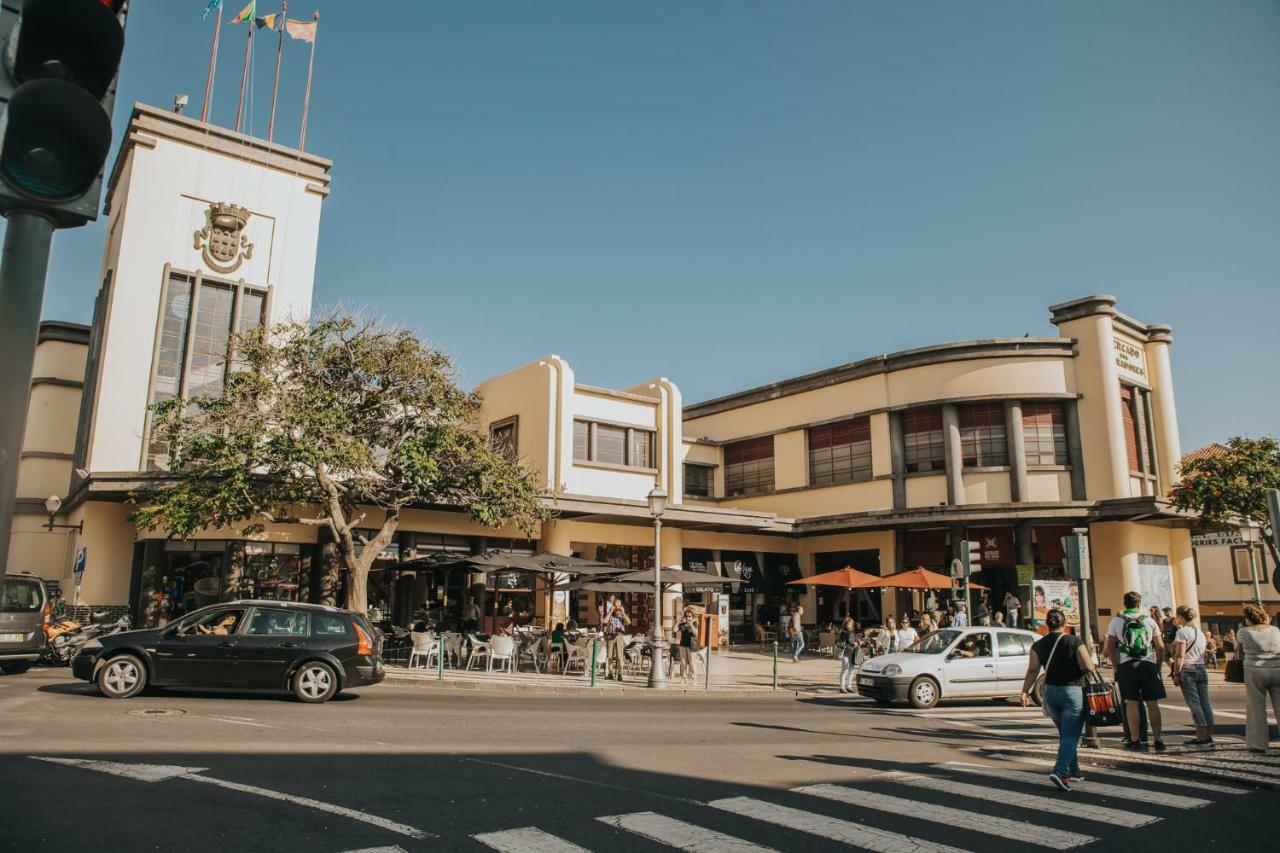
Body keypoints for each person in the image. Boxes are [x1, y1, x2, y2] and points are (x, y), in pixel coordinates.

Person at [1021, 607, 1097, 791]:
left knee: (1066, 733)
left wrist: (1025, 691)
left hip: (1050, 692)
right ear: (1065, 624)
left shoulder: (1038, 645)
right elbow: (1088, 666)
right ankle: (1061, 771)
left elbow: (1033, 670)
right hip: (1072, 691)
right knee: (1071, 735)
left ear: (1047, 624)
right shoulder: (1074, 641)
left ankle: (1075, 770)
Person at [1104, 591, 1167, 752]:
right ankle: (1158, 739)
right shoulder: (1150, 621)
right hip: (1147, 664)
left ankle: (1134, 738)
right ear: (1139, 604)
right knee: (1153, 703)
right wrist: (1158, 666)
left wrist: (1116, 666)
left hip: (1127, 665)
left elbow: (1110, 646)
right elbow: (1160, 646)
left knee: (1131, 703)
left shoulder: (1116, 621)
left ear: (1124, 604)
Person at [1237, 603, 1280, 754]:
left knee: (1256, 708)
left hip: (1254, 670)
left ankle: (1258, 744)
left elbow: (1239, 652)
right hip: (1277, 668)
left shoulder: (1244, 632)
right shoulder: (1275, 630)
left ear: (1248, 619)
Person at [1171, 605, 1214, 746]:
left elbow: (1179, 655)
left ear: (1181, 617)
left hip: (1188, 669)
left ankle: (1200, 737)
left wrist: (1176, 673)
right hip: (1201, 668)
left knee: (1194, 704)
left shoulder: (1182, 632)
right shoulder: (1200, 633)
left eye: (1177, 616)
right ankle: (1208, 735)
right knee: (1205, 703)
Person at [603, 601, 630, 681]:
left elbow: (628, 622)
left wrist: (623, 612)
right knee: (609, 656)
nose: (616, 607)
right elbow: (604, 621)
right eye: (615, 606)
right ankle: (610, 673)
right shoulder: (610, 613)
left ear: (621, 606)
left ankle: (619, 674)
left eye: (618, 606)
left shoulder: (622, 614)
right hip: (610, 636)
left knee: (620, 656)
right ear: (613, 605)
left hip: (619, 636)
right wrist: (611, 611)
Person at [675, 609, 699, 683]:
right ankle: (683, 678)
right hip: (683, 645)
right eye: (686, 616)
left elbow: (696, 634)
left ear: (692, 617)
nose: (688, 618)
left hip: (691, 646)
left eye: (690, 616)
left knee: (692, 663)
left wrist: (691, 624)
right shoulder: (682, 625)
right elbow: (674, 629)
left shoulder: (695, 624)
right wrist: (679, 621)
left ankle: (694, 678)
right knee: (683, 663)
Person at [836, 616, 858, 693]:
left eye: (851, 624)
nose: (849, 625)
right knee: (845, 670)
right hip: (845, 652)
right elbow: (849, 640)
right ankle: (842, 687)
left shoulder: (852, 632)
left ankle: (849, 686)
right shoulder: (844, 632)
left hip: (852, 652)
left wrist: (857, 642)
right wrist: (854, 642)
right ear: (845, 624)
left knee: (851, 670)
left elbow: (854, 640)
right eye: (848, 624)